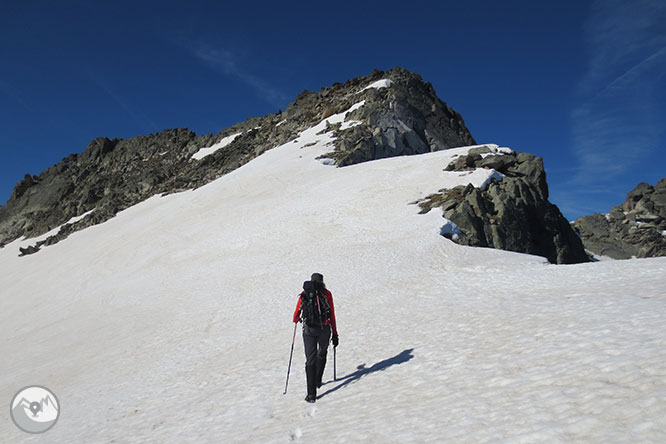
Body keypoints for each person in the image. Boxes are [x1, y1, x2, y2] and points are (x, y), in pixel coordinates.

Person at [292, 273, 339, 403]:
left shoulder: (305, 293)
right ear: (322, 281)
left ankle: (311, 393)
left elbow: (296, 315)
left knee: (310, 359)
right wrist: (335, 333)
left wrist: (297, 319)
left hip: (309, 330)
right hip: (324, 329)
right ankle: (318, 380)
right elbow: (332, 315)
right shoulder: (326, 294)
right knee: (322, 353)